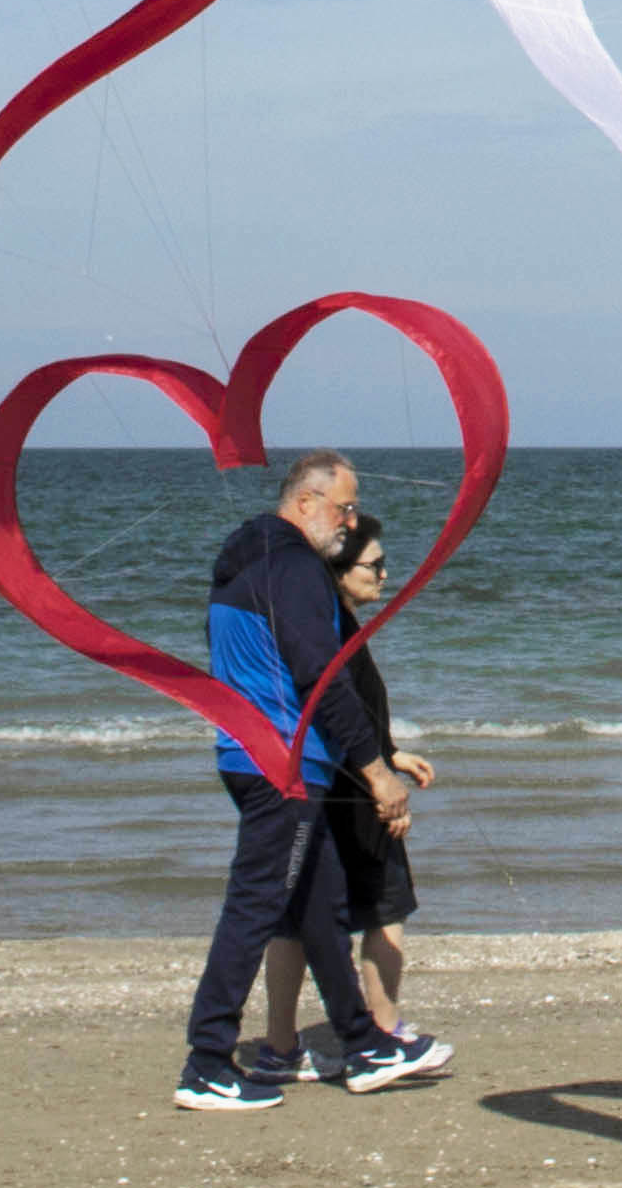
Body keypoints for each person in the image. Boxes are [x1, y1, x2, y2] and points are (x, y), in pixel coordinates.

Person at [174, 449, 456, 1109]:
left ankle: (363, 1045)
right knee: (254, 907)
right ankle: (207, 1062)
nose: (349, 520)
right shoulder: (294, 565)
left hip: (266, 760)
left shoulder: (251, 552)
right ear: (304, 503)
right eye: (344, 506)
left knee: (322, 908)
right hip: (278, 767)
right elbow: (319, 678)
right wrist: (376, 773)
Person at [260, 510, 434, 1076]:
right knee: (386, 908)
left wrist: (391, 751)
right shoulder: (336, 633)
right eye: (373, 565)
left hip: (312, 786)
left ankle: (281, 1046)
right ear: (337, 571)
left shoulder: (317, 626)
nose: (384, 575)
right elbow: (337, 715)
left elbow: (348, 714)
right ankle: (386, 1030)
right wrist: (383, 789)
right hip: (349, 795)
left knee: (293, 918)